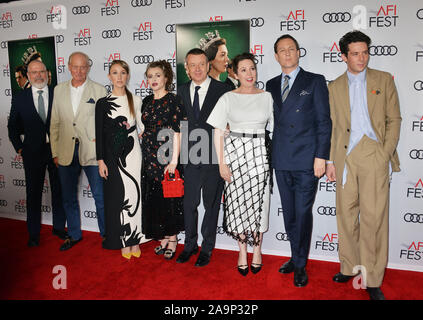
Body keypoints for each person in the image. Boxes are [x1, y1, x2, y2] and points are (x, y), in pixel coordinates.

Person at [326, 30, 401, 300]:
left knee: (373, 218)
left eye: (365, 52)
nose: (362, 58)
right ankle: (348, 266)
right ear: (344, 55)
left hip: (373, 153)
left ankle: (372, 278)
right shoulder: (333, 86)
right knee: (346, 215)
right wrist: (331, 162)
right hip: (344, 156)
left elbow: (395, 119)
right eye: (355, 53)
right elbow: (332, 128)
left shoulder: (383, 80)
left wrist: (384, 153)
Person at [266, 34, 331, 287]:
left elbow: (324, 122)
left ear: (298, 52)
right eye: (282, 50)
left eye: (291, 49)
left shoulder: (314, 81)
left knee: (303, 213)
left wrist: (321, 156)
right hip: (281, 159)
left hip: (307, 160)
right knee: (290, 213)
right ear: (276, 55)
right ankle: (295, 256)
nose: (287, 53)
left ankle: (301, 264)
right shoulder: (271, 85)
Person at [207, 53, 273, 276]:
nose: (249, 73)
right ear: (234, 73)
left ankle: (257, 249)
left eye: (252, 68)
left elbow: (273, 129)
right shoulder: (227, 98)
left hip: (260, 156)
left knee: (259, 205)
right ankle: (242, 250)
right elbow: (217, 131)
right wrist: (221, 164)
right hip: (234, 155)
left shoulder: (267, 97)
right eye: (243, 69)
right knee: (238, 206)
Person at [176, 48, 231, 267]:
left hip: (214, 158)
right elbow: (177, 127)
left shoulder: (223, 90)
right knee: (189, 205)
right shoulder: (179, 91)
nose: (197, 69)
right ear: (186, 68)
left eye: (201, 64)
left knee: (211, 205)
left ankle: (207, 248)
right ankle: (189, 245)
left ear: (208, 66)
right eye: (192, 65)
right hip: (188, 159)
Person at [50, 52, 107, 251]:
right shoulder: (58, 90)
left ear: (88, 67)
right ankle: (74, 234)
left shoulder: (99, 90)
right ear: (68, 67)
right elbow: (55, 123)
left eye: (83, 67)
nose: (79, 71)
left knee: (100, 196)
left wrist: (101, 146)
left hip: (91, 152)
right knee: (68, 197)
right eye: (75, 67)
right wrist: (55, 152)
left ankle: (106, 235)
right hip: (65, 151)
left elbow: (105, 123)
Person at [8, 60, 67, 247]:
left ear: (48, 74)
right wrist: (19, 147)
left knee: (59, 191)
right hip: (32, 153)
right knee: (33, 194)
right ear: (28, 75)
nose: (39, 75)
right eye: (34, 72)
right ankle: (33, 234)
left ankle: (58, 228)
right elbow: (12, 127)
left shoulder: (59, 93)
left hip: (57, 151)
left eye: (42, 71)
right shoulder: (20, 98)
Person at [95, 60, 147, 259]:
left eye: (123, 73)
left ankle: (135, 239)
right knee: (117, 198)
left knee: (135, 196)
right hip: (111, 157)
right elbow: (99, 134)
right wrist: (101, 160)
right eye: (115, 73)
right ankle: (122, 240)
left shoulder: (136, 99)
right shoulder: (103, 103)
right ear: (109, 76)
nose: (119, 77)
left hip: (133, 155)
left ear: (128, 76)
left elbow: (141, 127)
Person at [141, 60, 186, 260]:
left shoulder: (174, 100)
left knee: (170, 199)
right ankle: (164, 236)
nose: (153, 80)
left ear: (166, 78)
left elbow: (178, 132)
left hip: (168, 156)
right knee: (156, 200)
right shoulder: (146, 101)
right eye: (150, 76)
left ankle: (173, 238)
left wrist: (174, 160)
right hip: (149, 157)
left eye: (158, 75)